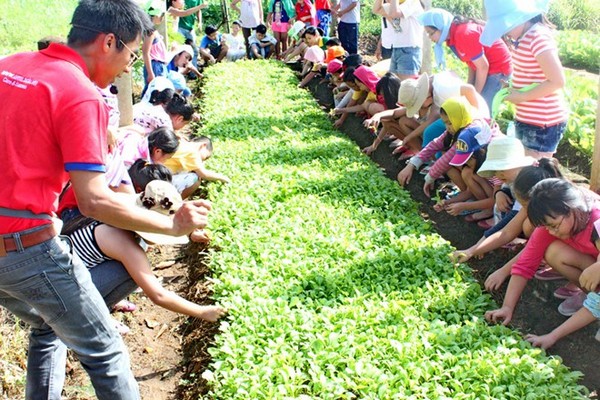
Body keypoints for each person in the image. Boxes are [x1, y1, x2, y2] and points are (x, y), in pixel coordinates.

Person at [0, 0, 214, 398]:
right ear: (109, 42)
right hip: (24, 246)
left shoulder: (10, 66)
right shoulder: (81, 94)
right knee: (106, 353)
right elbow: (94, 202)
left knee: (48, 326)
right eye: (132, 53)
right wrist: (173, 225)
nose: (130, 66)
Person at [63, 176, 225, 334]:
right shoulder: (123, 243)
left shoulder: (110, 218)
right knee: (131, 273)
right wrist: (203, 312)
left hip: (55, 278)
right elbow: (158, 295)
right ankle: (82, 320)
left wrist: (190, 232)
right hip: (61, 295)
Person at [485, 179, 600, 330]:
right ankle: (592, 295)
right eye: (546, 227)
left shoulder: (596, 219)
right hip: (591, 261)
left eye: (554, 226)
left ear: (571, 209)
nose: (551, 232)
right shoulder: (551, 220)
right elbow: (525, 264)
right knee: (553, 251)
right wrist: (506, 307)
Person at [480, 0, 567, 159]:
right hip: (528, 119)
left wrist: (521, 96)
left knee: (535, 171)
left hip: (542, 123)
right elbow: (533, 75)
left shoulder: (538, 37)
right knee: (526, 167)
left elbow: (557, 81)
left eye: (506, 25)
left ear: (521, 17)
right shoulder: (522, 38)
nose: (505, 32)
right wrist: (514, 87)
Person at [397, 96, 495, 201]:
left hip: (488, 170)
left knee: (452, 163)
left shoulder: (468, 133)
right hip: (477, 166)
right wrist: (412, 164)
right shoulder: (460, 124)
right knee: (451, 163)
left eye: (449, 123)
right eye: (445, 123)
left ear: (457, 117)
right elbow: (435, 144)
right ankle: (467, 194)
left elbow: (448, 158)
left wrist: (430, 178)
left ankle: (473, 199)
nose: (447, 127)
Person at [417, 8, 512, 113]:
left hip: (498, 70)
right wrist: (469, 88)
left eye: (431, 33)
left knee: (482, 109)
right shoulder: (451, 38)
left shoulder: (462, 34)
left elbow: (483, 66)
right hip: (485, 68)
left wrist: (475, 94)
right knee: (469, 104)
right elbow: (472, 64)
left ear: (441, 26)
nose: (430, 37)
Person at [164, 136, 231, 199]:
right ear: (203, 145)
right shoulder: (192, 151)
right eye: (206, 157)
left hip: (158, 173)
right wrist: (225, 179)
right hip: (161, 179)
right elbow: (204, 174)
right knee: (196, 179)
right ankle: (175, 203)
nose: (202, 160)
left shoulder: (183, 144)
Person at [373, 0, 423, 80]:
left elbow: (394, 14)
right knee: (394, 86)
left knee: (406, 88)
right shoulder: (396, 6)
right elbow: (376, 9)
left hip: (409, 49)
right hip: (397, 49)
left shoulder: (412, 2)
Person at [141, 0, 169, 97]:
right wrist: (150, 73)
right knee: (155, 93)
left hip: (159, 66)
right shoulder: (150, 32)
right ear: (157, 15)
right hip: (155, 66)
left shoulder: (152, 31)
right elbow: (145, 52)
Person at [177, 0, 207, 67]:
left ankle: (193, 71)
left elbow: (198, 10)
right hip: (179, 26)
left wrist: (200, 22)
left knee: (194, 50)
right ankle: (179, 70)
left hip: (190, 28)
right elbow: (184, 12)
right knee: (179, 49)